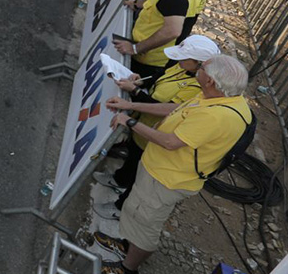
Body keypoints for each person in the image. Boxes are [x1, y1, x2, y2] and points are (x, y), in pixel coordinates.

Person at [94, 55, 251, 274]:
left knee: (145, 225)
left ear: (211, 82)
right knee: (136, 214)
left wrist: (130, 122)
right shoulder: (220, 98)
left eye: (204, 68)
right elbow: (178, 109)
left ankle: (128, 271)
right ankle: (126, 245)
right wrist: (131, 105)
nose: (200, 67)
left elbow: (170, 142)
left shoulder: (215, 116)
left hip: (166, 179)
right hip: (159, 170)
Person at [94, 35, 221, 221]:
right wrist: (141, 81)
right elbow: (161, 75)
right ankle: (120, 179)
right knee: (133, 154)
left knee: (140, 173)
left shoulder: (199, 88)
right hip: (144, 125)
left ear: (199, 64)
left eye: (184, 58)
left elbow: (166, 109)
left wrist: (135, 93)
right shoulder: (183, 66)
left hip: (156, 133)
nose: (178, 60)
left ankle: (120, 208)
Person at [114, 0, 207, 85]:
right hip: (153, 54)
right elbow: (163, 4)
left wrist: (136, 48)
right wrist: (136, 3)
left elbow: (172, 30)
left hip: (147, 57)